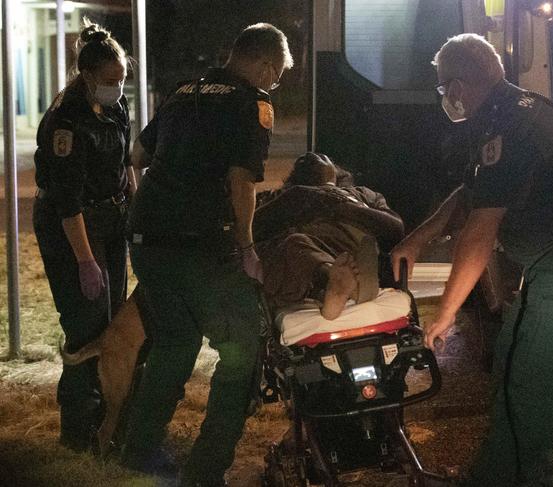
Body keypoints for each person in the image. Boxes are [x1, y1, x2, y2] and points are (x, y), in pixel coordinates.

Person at [391, 33, 553, 486]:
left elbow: (480, 230)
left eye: (444, 89)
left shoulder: (512, 123)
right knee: (510, 367)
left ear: (459, 87)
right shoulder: (501, 114)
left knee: (538, 385)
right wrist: (418, 240)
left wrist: (444, 314)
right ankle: (491, 477)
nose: (446, 98)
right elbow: (471, 193)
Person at [121, 23, 293, 487]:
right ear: (264, 63)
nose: (273, 85)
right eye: (275, 76)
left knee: (174, 345)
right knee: (241, 352)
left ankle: (136, 452)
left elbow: (137, 155)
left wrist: (155, 203)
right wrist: (248, 247)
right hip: (200, 246)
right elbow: (242, 182)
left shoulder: (182, 92)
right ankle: (206, 469)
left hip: (147, 239)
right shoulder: (251, 103)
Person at [33, 20, 134, 452]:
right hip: (71, 225)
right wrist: (85, 260)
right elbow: (66, 201)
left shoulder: (114, 105)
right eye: (110, 81)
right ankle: (77, 427)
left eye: (122, 80)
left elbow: (125, 161)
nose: (117, 87)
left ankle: (107, 413)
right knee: (85, 322)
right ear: (88, 76)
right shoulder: (66, 121)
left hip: (110, 218)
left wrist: (133, 202)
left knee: (112, 321)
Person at [254, 152, 404, 319]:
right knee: (296, 244)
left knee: (349, 256)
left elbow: (395, 229)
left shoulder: (364, 195)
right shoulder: (274, 198)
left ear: (337, 172)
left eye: (323, 156)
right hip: (295, 265)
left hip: (348, 258)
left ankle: (340, 286)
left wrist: (336, 201)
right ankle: (339, 286)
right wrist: (297, 196)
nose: (311, 154)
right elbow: (249, 231)